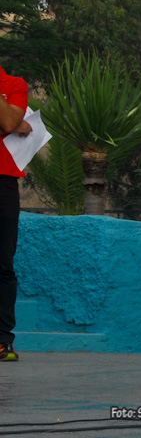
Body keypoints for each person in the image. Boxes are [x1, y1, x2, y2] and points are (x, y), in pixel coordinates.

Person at [0, 64, 31, 362]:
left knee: (3, 263)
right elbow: (12, 125)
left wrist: (11, 124)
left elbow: (10, 122)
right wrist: (11, 126)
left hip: (3, 182)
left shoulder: (15, 84)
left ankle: (2, 341)